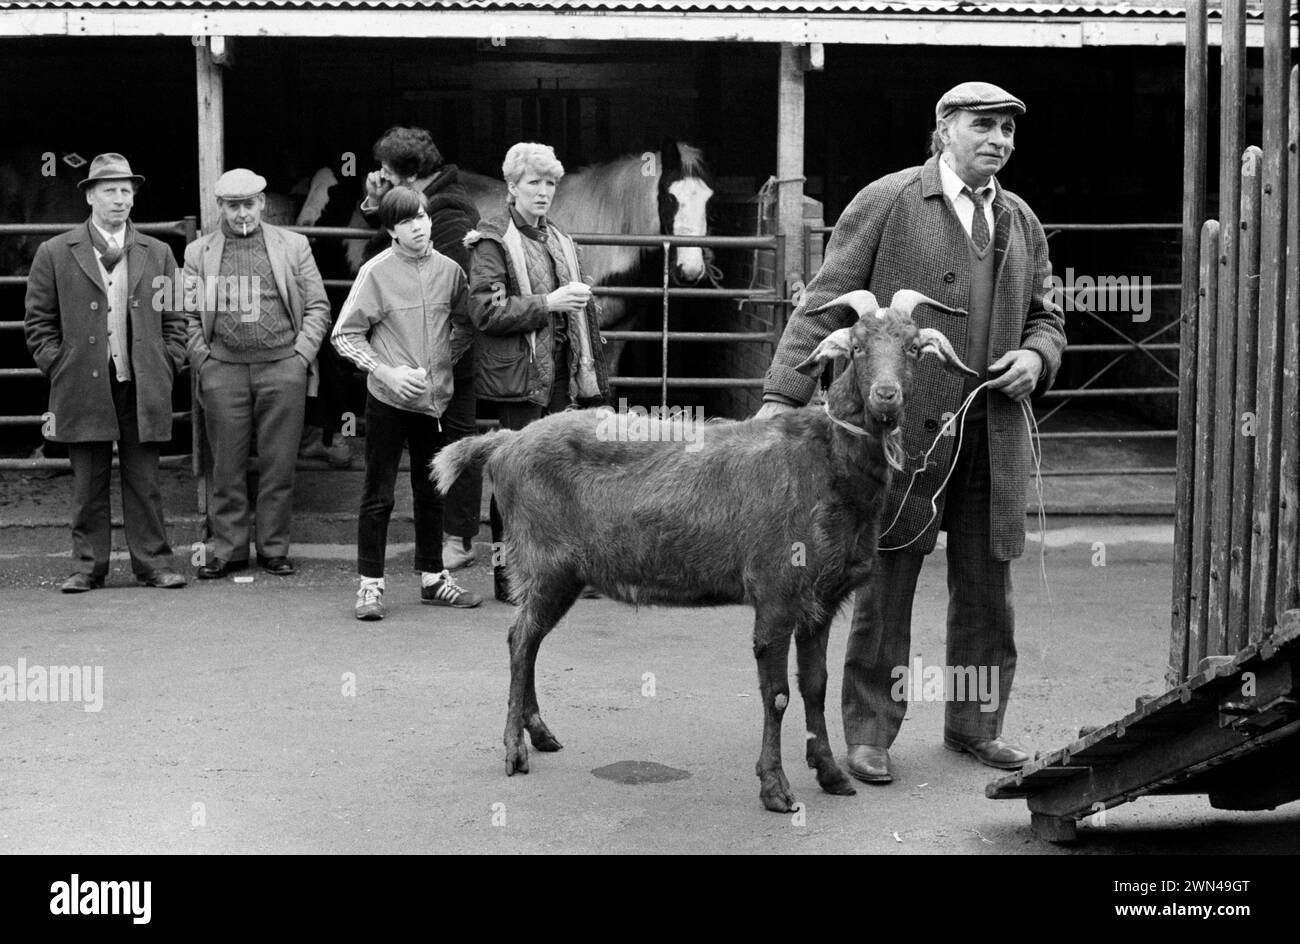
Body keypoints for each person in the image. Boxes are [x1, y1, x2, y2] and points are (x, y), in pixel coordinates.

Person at [758, 82, 1067, 782]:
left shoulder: (1020, 219)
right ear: (944, 129)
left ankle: (975, 725)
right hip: (894, 432)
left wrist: (1036, 354)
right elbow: (825, 301)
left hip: (992, 426)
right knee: (884, 580)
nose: (998, 140)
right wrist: (782, 396)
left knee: (988, 586)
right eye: (982, 126)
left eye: (1009, 132)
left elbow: (1049, 316)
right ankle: (869, 734)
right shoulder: (890, 199)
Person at [24, 153, 188, 592]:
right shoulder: (55, 252)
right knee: (87, 482)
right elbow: (39, 323)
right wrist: (59, 363)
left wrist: (167, 360)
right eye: (110, 191)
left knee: (145, 481)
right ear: (91, 197)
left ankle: (153, 563)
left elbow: (176, 318)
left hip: (142, 380)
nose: (120, 200)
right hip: (82, 382)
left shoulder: (158, 252)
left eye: (126, 192)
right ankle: (87, 566)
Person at [465, 141, 611, 602]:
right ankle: (506, 577)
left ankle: (563, 573)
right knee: (513, 475)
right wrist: (549, 303)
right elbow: (486, 311)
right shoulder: (491, 241)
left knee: (564, 472)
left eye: (550, 183)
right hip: (520, 379)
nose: (544, 192)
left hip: (564, 375)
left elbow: (573, 306)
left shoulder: (560, 238)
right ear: (512, 187)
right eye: (534, 183)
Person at [332, 186, 482, 620]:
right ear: (391, 230)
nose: (418, 226)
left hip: (434, 402)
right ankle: (370, 586)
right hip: (387, 400)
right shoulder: (377, 271)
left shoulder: (451, 271)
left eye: (422, 217)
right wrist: (387, 373)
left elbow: (465, 324)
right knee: (378, 495)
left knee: (432, 491)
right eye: (406, 221)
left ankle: (433, 578)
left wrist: (441, 364)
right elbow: (344, 334)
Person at [184, 168, 332, 579]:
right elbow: (186, 314)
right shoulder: (199, 252)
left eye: (249, 204)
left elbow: (319, 305)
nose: (242, 213)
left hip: (282, 367)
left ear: (263, 203)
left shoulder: (294, 245)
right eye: (233, 206)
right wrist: (204, 361)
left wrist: (300, 357)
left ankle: (273, 548)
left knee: (278, 465)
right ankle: (228, 550)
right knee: (226, 467)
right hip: (223, 371)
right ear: (220, 208)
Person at [358, 127, 482, 570]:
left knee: (456, 446)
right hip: (412, 359)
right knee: (436, 451)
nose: (379, 177)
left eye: (388, 174)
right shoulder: (425, 204)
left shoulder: (449, 213)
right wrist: (378, 205)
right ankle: (436, 550)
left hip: (447, 359)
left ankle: (459, 540)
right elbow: (392, 249)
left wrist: (440, 357)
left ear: (411, 177)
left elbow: (424, 276)